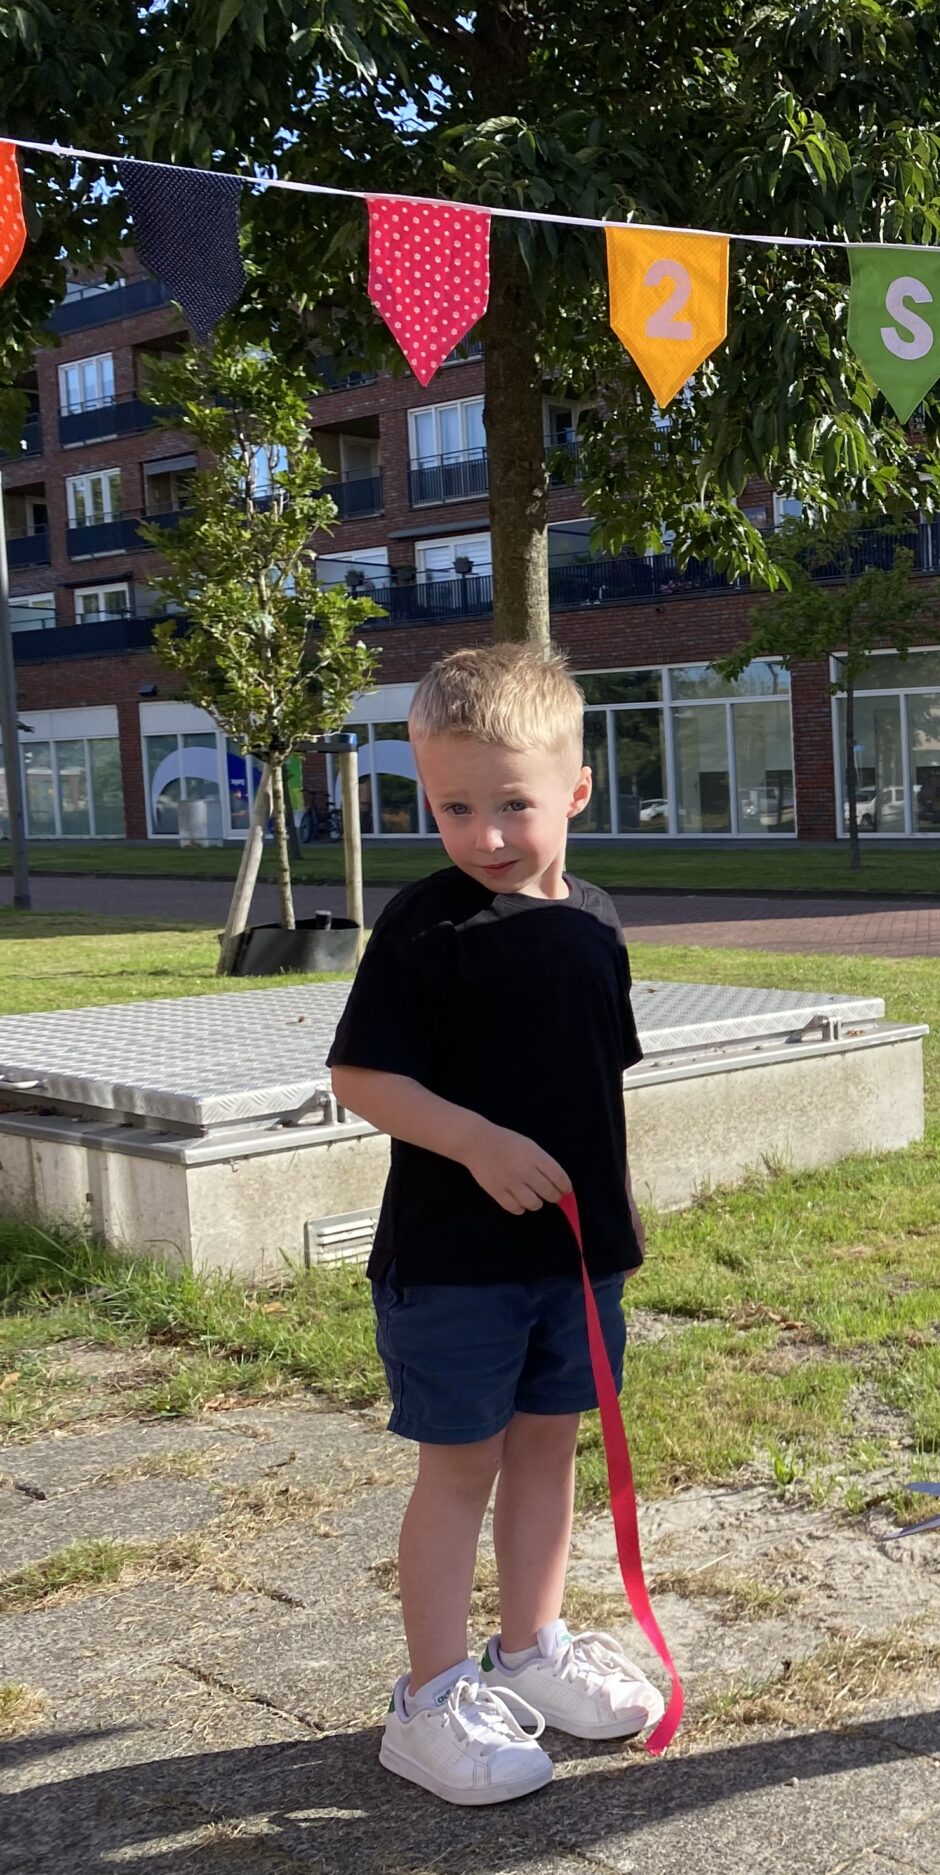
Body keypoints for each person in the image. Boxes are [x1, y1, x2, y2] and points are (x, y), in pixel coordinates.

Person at [329, 644, 665, 1804]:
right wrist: (472, 1140)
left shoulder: (598, 920)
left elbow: (589, 1081)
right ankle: (426, 1703)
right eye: (453, 807)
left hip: (574, 1264)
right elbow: (362, 1079)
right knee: (458, 1469)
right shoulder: (425, 926)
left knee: (547, 1450)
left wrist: (613, 1214)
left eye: (511, 804)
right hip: (454, 1266)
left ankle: (530, 1647)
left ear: (575, 790)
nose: (484, 835)